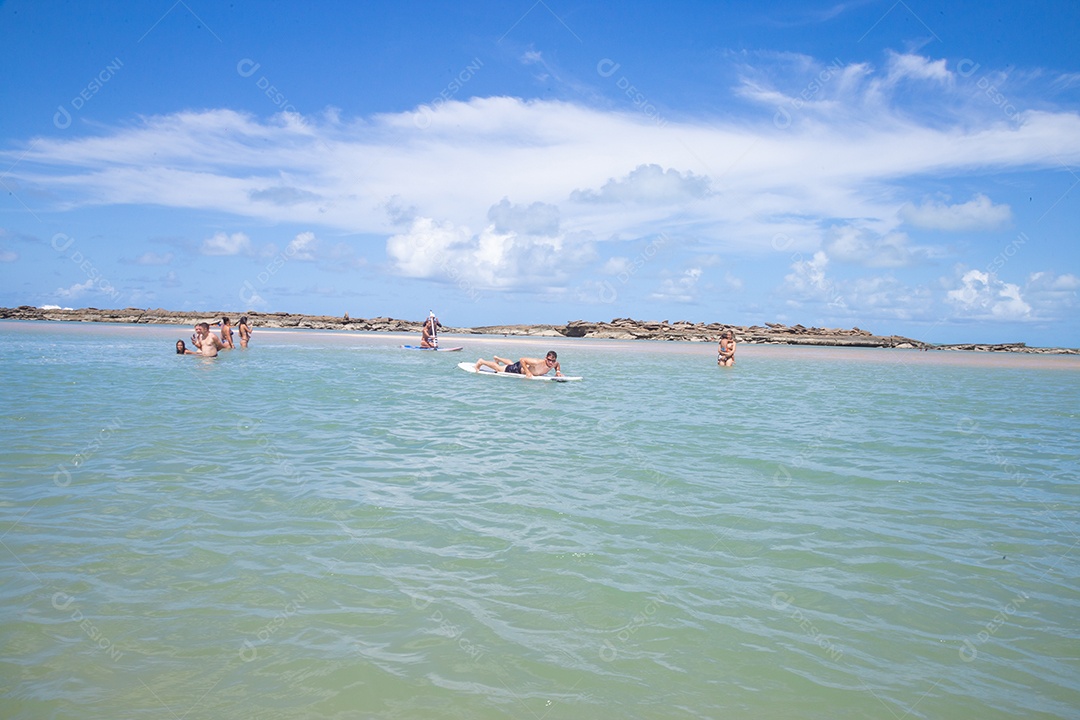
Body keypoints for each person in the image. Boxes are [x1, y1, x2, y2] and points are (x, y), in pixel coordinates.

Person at [474, 351, 563, 378]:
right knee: (499, 369)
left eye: (553, 361)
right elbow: (522, 360)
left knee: (510, 363)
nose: (551, 362)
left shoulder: (554, 364)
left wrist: (558, 372)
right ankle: (481, 361)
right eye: (549, 360)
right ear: (545, 358)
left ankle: (498, 358)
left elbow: (557, 364)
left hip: (520, 367)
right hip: (518, 369)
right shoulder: (537, 362)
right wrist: (528, 372)